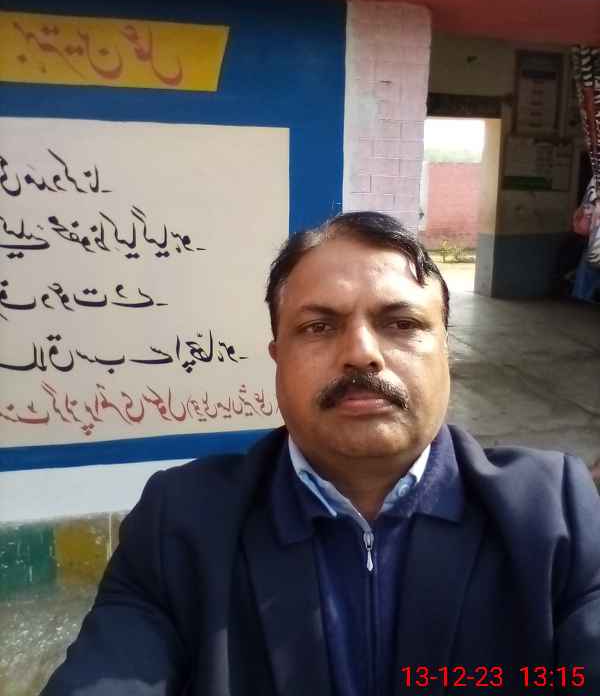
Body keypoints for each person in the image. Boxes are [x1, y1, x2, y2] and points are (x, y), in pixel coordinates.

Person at [42, 211, 600, 696]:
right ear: (277, 357)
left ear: (445, 352)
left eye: (401, 324)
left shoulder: (553, 512)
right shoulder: (181, 521)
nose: (361, 353)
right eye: (318, 327)